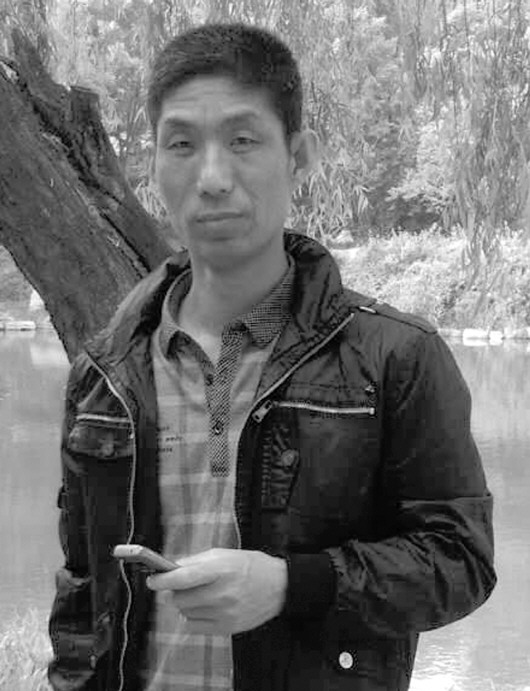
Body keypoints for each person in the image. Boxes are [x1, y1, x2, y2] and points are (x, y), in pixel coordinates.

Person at [48, 22, 496, 691]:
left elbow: (460, 561)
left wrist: (293, 584)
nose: (212, 178)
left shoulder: (395, 357)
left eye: (243, 140)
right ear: (154, 166)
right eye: (181, 144)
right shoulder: (105, 374)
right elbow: (84, 593)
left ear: (299, 155)